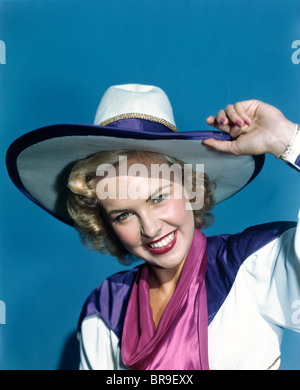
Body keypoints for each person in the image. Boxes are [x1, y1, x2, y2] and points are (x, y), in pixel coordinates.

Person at [6, 84, 300, 370]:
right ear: (105, 224)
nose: (149, 228)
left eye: (158, 198)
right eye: (123, 215)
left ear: (189, 188)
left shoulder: (254, 265)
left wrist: (286, 139)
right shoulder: (107, 307)